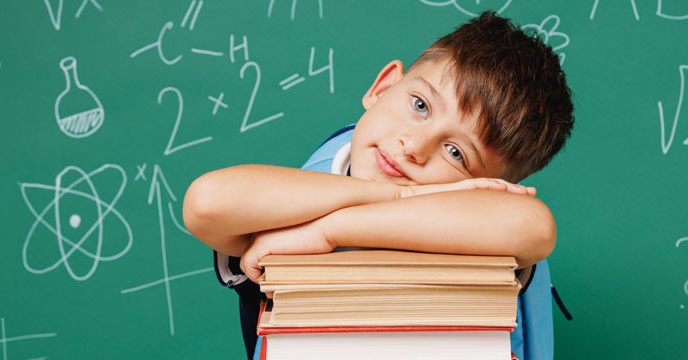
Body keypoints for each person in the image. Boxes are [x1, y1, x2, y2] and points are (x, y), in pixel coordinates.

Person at [183, 10, 573, 360]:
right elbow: (206, 202)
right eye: (420, 105)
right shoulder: (297, 195)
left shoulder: (484, 227)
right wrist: (403, 194)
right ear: (383, 87)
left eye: (456, 153)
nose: (414, 147)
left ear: (485, 185)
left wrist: (329, 231)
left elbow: (536, 228)